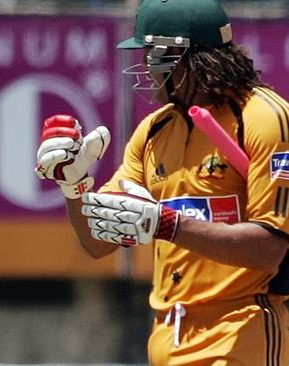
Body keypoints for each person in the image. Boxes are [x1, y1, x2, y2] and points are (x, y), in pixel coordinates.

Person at [35, 0, 289, 364]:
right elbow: (96, 242)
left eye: (152, 55)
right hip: (167, 337)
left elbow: (269, 250)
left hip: (242, 333)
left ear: (182, 56)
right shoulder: (154, 130)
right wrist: (74, 186)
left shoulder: (264, 118)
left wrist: (166, 223)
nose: (146, 68)